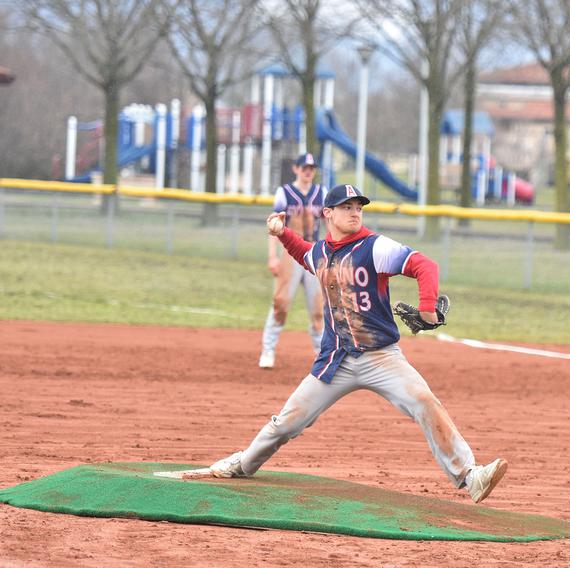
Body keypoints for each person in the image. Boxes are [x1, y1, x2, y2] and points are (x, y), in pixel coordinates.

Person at [210, 184, 509, 504]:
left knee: (424, 401)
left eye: (359, 207)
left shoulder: (374, 247)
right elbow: (304, 253)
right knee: (287, 422)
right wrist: (282, 233)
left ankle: (470, 475)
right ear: (328, 213)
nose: (355, 212)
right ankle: (244, 464)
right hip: (335, 361)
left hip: (381, 357)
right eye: (347, 207)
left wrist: (426, 303)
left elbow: (425, 266)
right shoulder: (322, 252)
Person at [258, 153, 326, 369]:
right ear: (296, 169)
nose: (308, 171)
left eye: (312, 168)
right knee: (281, 303)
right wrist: (272, 256)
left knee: (318, 308)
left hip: (314, 252)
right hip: (290, 253)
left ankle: (321, 353)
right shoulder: (285, 192)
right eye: (304, 167)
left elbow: (329, 225)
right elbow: (274, 226)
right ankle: (268, 350)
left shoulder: (321, 193)